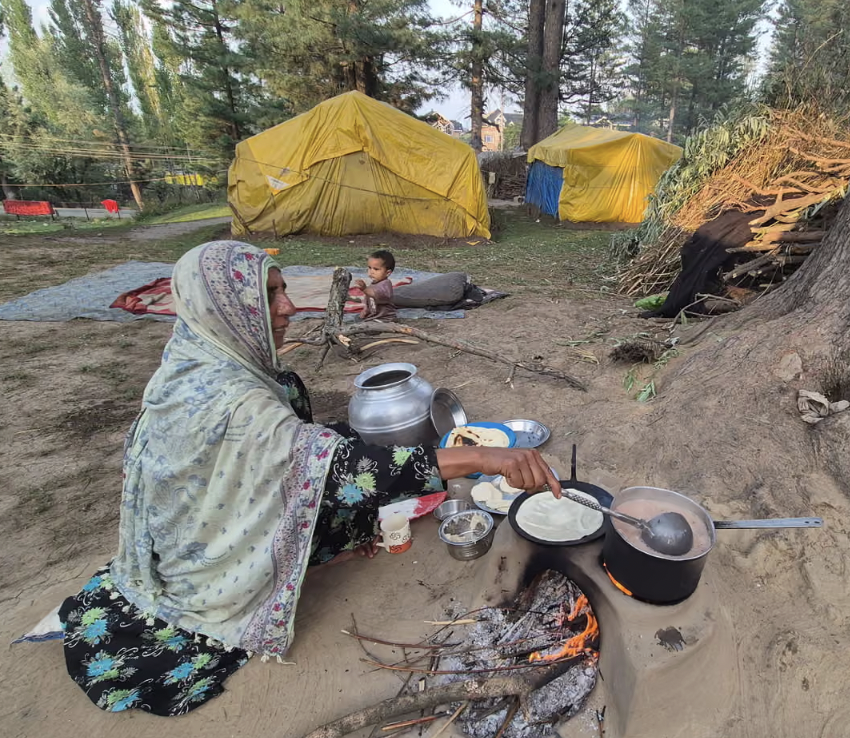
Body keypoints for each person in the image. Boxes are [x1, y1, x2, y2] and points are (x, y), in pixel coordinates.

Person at [58, 241, 561, 716]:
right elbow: (345, 474)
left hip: (215, 511)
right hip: (205, 554)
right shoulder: (231, 400)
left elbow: (293, 453)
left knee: (346, 468)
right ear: (221, 308)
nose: (289, 308)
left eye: (282, 290)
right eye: (268, 295)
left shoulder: (197, 358)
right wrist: (482, 458)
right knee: (360, 488)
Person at [353, 249, 397, 322]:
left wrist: (364, 289)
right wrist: (365, 311)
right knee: (357, 318)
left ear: (388, 273)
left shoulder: (386, 284)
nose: (371, 272)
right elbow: (369, 301)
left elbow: (376, 294)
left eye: (376, 269)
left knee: (367, 326)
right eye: (370, 268)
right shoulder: (373, 283)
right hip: (374, 316)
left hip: (384, 317)